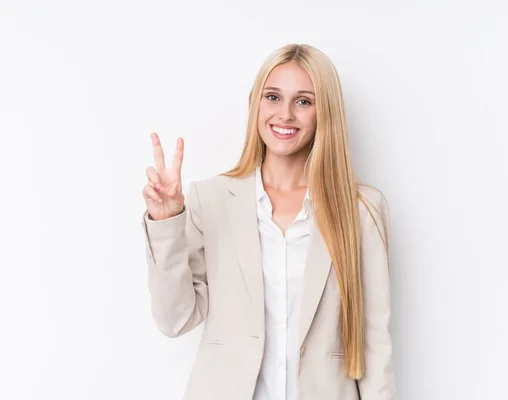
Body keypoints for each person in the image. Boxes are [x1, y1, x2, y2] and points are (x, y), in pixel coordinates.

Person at [141, 43, 396, 400]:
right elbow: (175, 320)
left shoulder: (362, 210)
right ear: (254, 104)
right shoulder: (210, 200)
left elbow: (375, 344)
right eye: (273, 97)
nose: (286, 114)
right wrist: (165, 222)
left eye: (304, 101)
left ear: (326, 112)